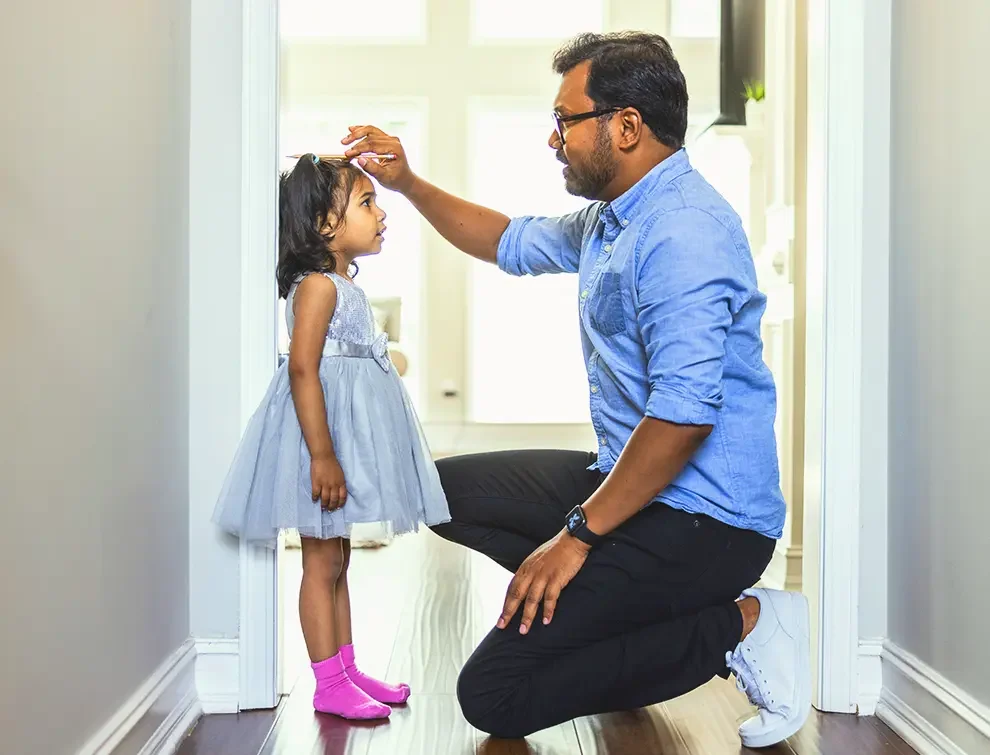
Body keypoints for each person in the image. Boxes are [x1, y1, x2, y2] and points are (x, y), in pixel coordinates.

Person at [341, 31, 811, 748]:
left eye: (566, 119)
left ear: (626, 126)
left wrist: (577, 536)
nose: (552, 138)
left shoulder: (683, 231)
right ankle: (623, 611)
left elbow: (683, 418)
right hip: (635, 487)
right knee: (433, 492)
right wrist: (406, 182)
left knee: (492, 693)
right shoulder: (612, 218)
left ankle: (738, 623)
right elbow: (506, 239)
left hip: (709, 523)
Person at [212, 154, 450, 720]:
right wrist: (322, 455)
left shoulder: (343, 284)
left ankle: (346, 668)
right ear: (324, 224)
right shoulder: (317, 287)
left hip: (340, 438)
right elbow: (302, 369)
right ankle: (327, 682)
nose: (381, 213)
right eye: (367, 203)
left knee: (338, 558)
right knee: (320, 564)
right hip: (320, 442)